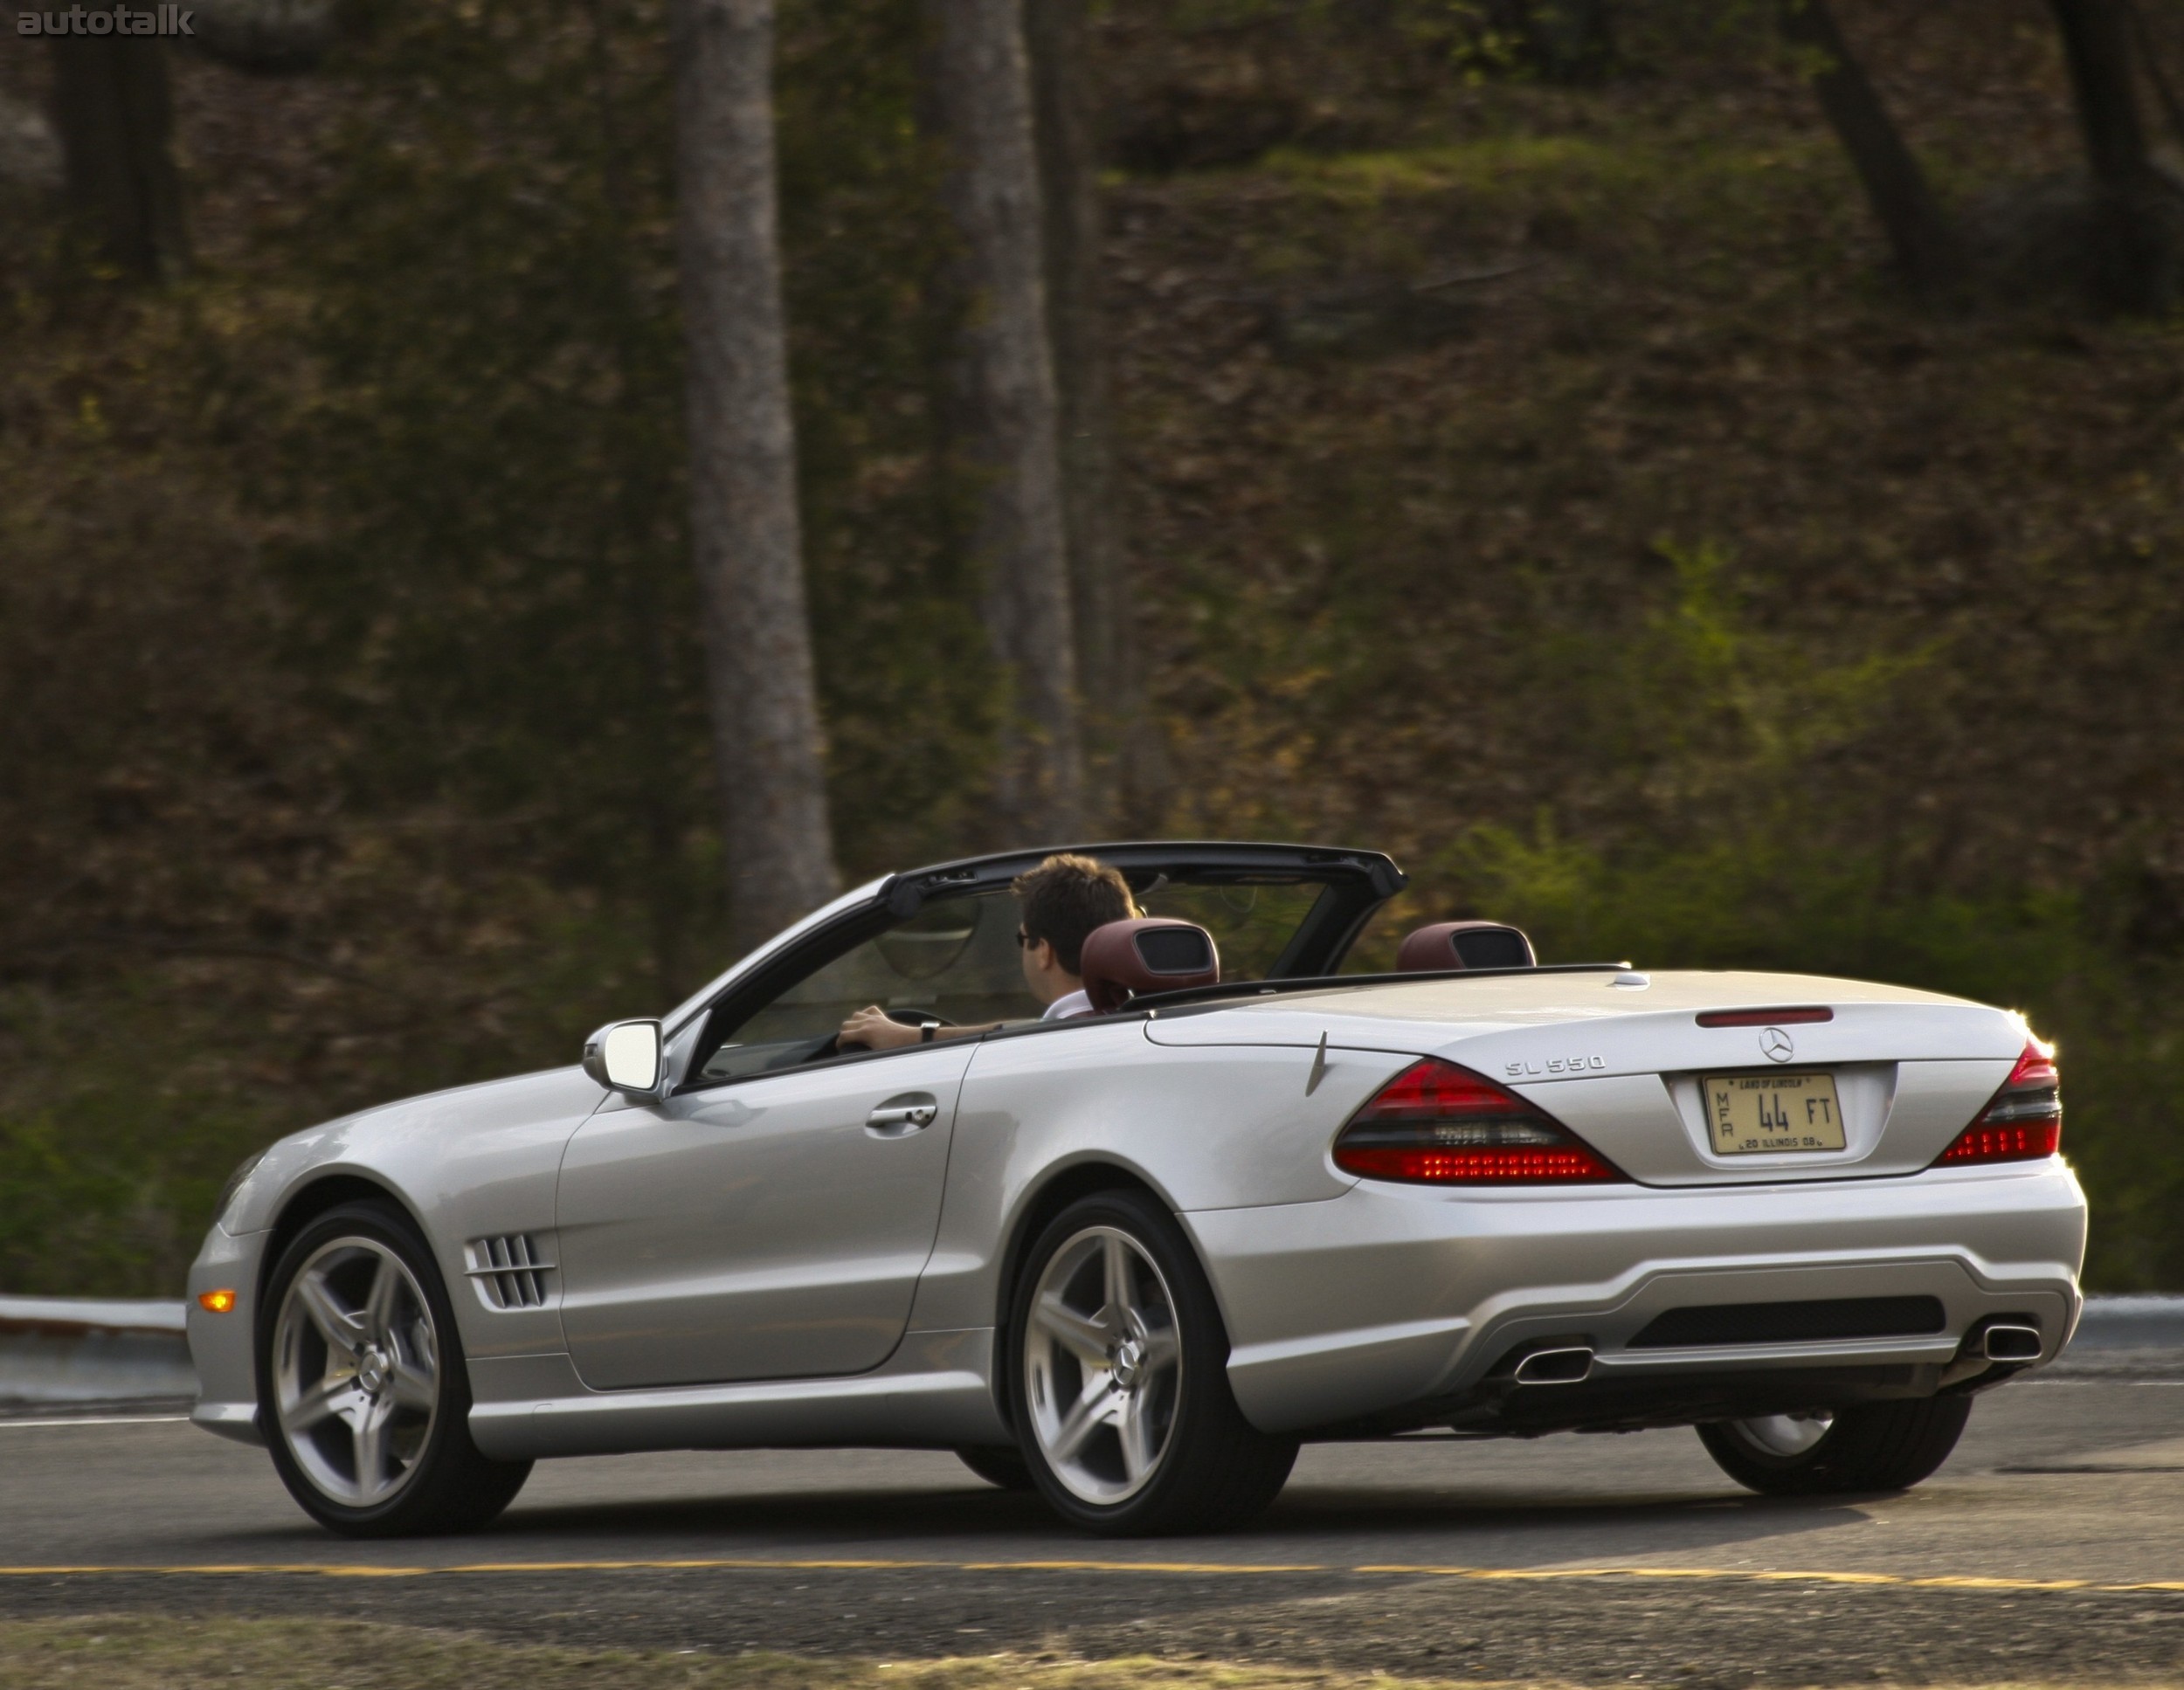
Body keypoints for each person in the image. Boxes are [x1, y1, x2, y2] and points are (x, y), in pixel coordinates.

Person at [838, 852, 1137, 1052]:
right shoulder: (1143, 1019)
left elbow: (1025, 1039)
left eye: (1023, 938)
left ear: (1044, 951)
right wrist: (914, 1036)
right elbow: (1015, 1032)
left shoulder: (1053, 1048)